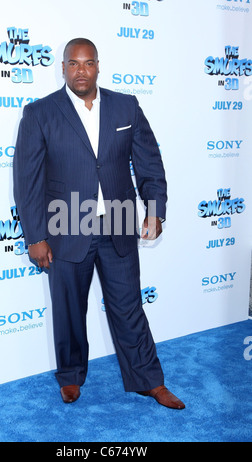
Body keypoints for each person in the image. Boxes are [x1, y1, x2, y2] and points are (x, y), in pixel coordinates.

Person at [13, 38, 185, 409]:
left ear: (98, 66)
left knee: (128, 307)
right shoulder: (40, 113)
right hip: (66, 226)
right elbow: (27, 181)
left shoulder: (126, 106)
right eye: (73, 64)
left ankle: (149, 380)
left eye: (88, 63)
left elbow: (149, 163)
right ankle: (71, 376)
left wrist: (155, 209)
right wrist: (35, 236)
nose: (81, 71)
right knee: (69, 308)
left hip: (119, 223)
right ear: (62, 68)